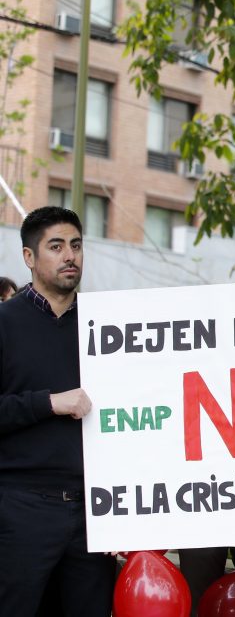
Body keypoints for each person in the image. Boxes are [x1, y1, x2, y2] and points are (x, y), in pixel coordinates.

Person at [0, 206, 116, 616]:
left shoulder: (107, 328)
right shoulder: (4, 322)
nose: (70, 255)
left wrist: (129, 512)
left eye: (76, 245)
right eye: (56, 246)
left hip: (95, 513)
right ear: (29, 258)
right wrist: (48, 403)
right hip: (21, 508)